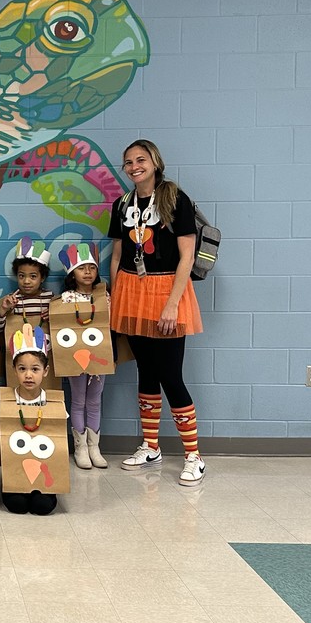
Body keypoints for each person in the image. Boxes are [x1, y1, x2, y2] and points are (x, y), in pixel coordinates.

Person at [109, 138, 205, 486]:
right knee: (146, 373)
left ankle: (194, 455)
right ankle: (151, 446)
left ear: (155, 161)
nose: (134, 166)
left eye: (140, 159)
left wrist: (171, 304)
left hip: (167, 291)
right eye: (128, 162)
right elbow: (118, 255)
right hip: (131, 291)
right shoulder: (122, 204)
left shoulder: (175, 199)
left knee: (170, 375)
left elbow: (187, 257)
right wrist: (114, 296)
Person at [0, 325, 58, 515]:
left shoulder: (52, 402)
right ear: (14, 370)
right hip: (16, 468)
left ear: (45, 371)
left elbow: (57, 435)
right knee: (17, 505)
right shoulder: (6, 400)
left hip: (44, 467)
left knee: (43, 506)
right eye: (22, 369)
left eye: (35, 369)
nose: (28, 375)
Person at [58, 242, 110, 470]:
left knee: (95, 401)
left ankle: (94, 447)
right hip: (74, 357)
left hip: (98, 357)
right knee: (78, 400)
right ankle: (80, 447)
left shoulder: (103, 296)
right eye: (82, 268)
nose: (88, 272)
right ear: (72, 273)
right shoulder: (66, 299)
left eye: (91, 267)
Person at [0, 236, 54, 337]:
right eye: (21, 276)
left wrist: (52, 315)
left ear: (42, 278)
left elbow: (59, 327)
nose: (26, 281)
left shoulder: (49, 297)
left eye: (33, 276)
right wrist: (3, 309)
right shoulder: (12, 300)